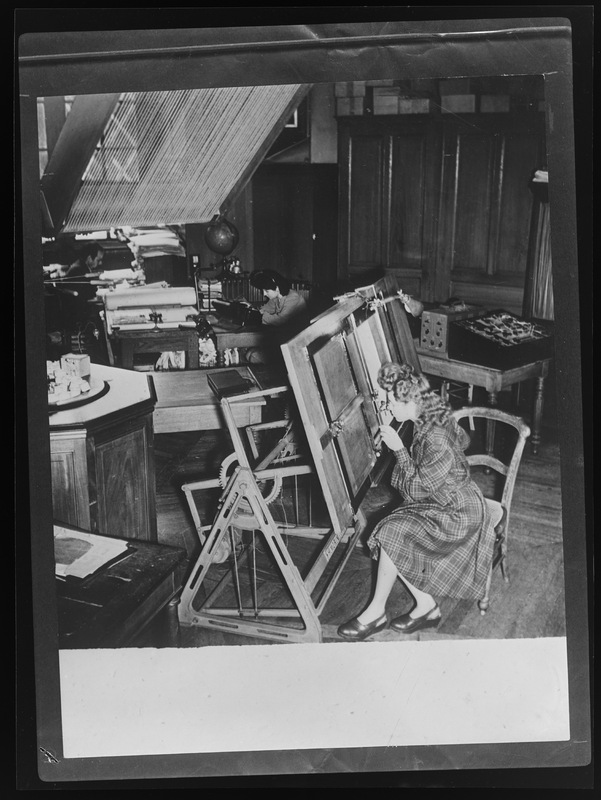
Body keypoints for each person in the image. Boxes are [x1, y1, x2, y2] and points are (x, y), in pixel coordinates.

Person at [337, 362, 496, 641]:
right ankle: (422, 607)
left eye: (388, 403)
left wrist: (399, 450)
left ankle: (381, 612)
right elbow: (464, 439)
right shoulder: (431, 409)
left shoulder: (433, 435)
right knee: (392, 528)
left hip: (457, 512)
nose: (386, 409)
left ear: (408, 400)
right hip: (448, 498)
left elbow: (416, 490)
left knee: (392, 530)